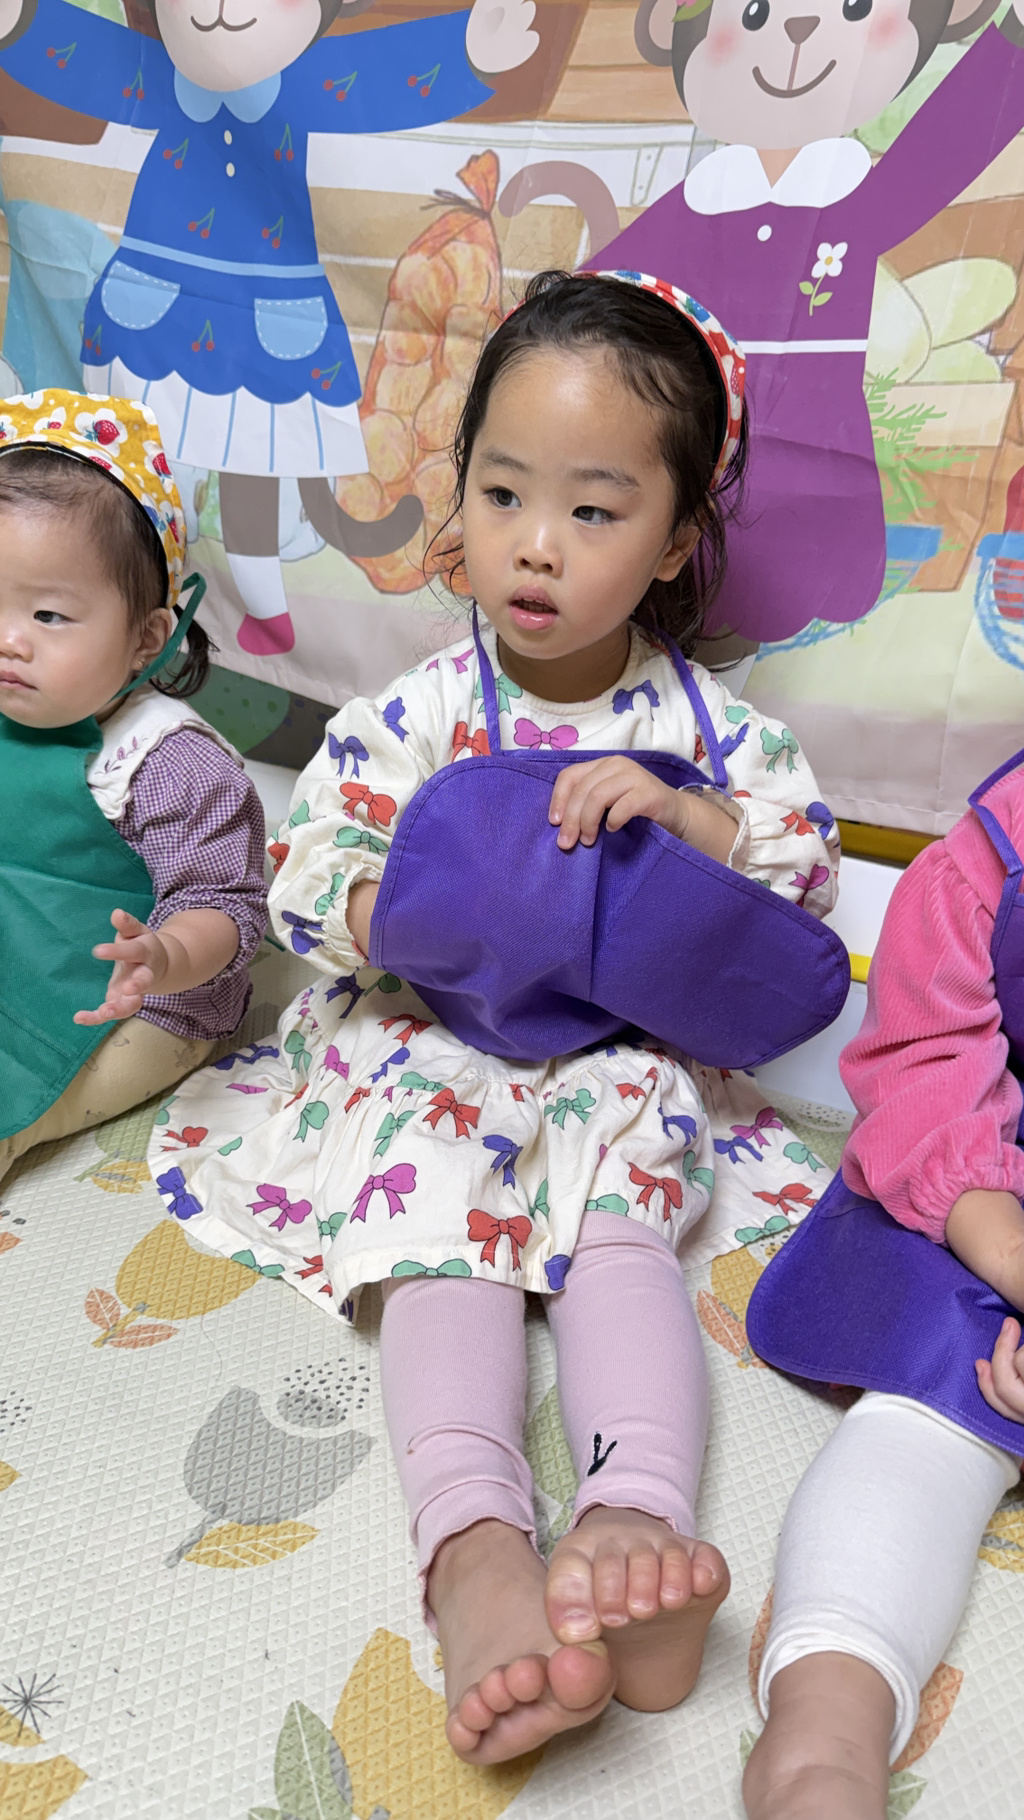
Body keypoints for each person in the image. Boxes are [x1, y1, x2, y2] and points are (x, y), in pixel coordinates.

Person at [151, 270, 840, 1765]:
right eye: (505, 490)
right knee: (435, 1240)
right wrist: (391, 908)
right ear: (457, 495)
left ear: (675, 542)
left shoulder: (704, 729)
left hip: (614, 1053)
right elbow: (310, 864)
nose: (536, 542)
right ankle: (477, 1557)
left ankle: (630, 1521)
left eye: (594, 510)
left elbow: (801, 883)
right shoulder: (416, 714)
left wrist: (687, 819)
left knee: (621, 1234)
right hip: (433, 1044)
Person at [744, 749, 1024, 1820]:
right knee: (938, 1389)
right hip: (977, 1171)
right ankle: (829, 1716)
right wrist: (1000, 1244)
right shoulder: (984, 861)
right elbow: (926, 1061)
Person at [0, 389, 267, 1185]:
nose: (9, 641)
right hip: (23, 945)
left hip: (141, 999)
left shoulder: (169, 766)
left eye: (49, 616)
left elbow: (226, 905)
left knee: (23, 1094)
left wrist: (166, 953)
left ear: (146, 637)